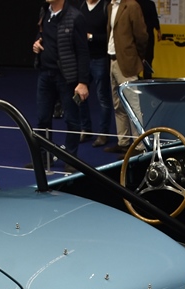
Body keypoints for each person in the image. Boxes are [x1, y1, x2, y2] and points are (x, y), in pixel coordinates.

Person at [33, 0, 90, 170]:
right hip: (45, 74)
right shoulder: (44, 12)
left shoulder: (76, 17)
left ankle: (71, 160)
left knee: (72, 120)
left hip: (67, 77)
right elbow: (42, 35)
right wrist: (37, 43)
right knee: (42, 119)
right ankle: (44, 159)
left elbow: (83, 51)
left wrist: (83, 82)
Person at [104, 0, 148, 153]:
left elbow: (142, 36)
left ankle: (139, 145)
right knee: (118, 104)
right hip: (112, 60)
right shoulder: (110, 6)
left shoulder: (132, 5)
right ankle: (123, 142)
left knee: (132, 105)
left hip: (127, 62)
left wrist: (136, 56)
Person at [77, 0, 113, 147]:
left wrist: (92, 37)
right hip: (84, 59)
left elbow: (110, 36)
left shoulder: (105, 7)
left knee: (103, 97)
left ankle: (103, 133)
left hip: (100, 59)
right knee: (80, 95)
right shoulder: (82, 7)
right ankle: (85, 128)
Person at [137, 0, 159, 79]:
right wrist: (158, 30)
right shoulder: (150, 4)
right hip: (149, 34)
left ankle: (135, 77)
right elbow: (154, 18)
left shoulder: (134, 4)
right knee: (149, 57)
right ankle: (147, 77)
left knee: (137, 57)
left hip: (137, 35)